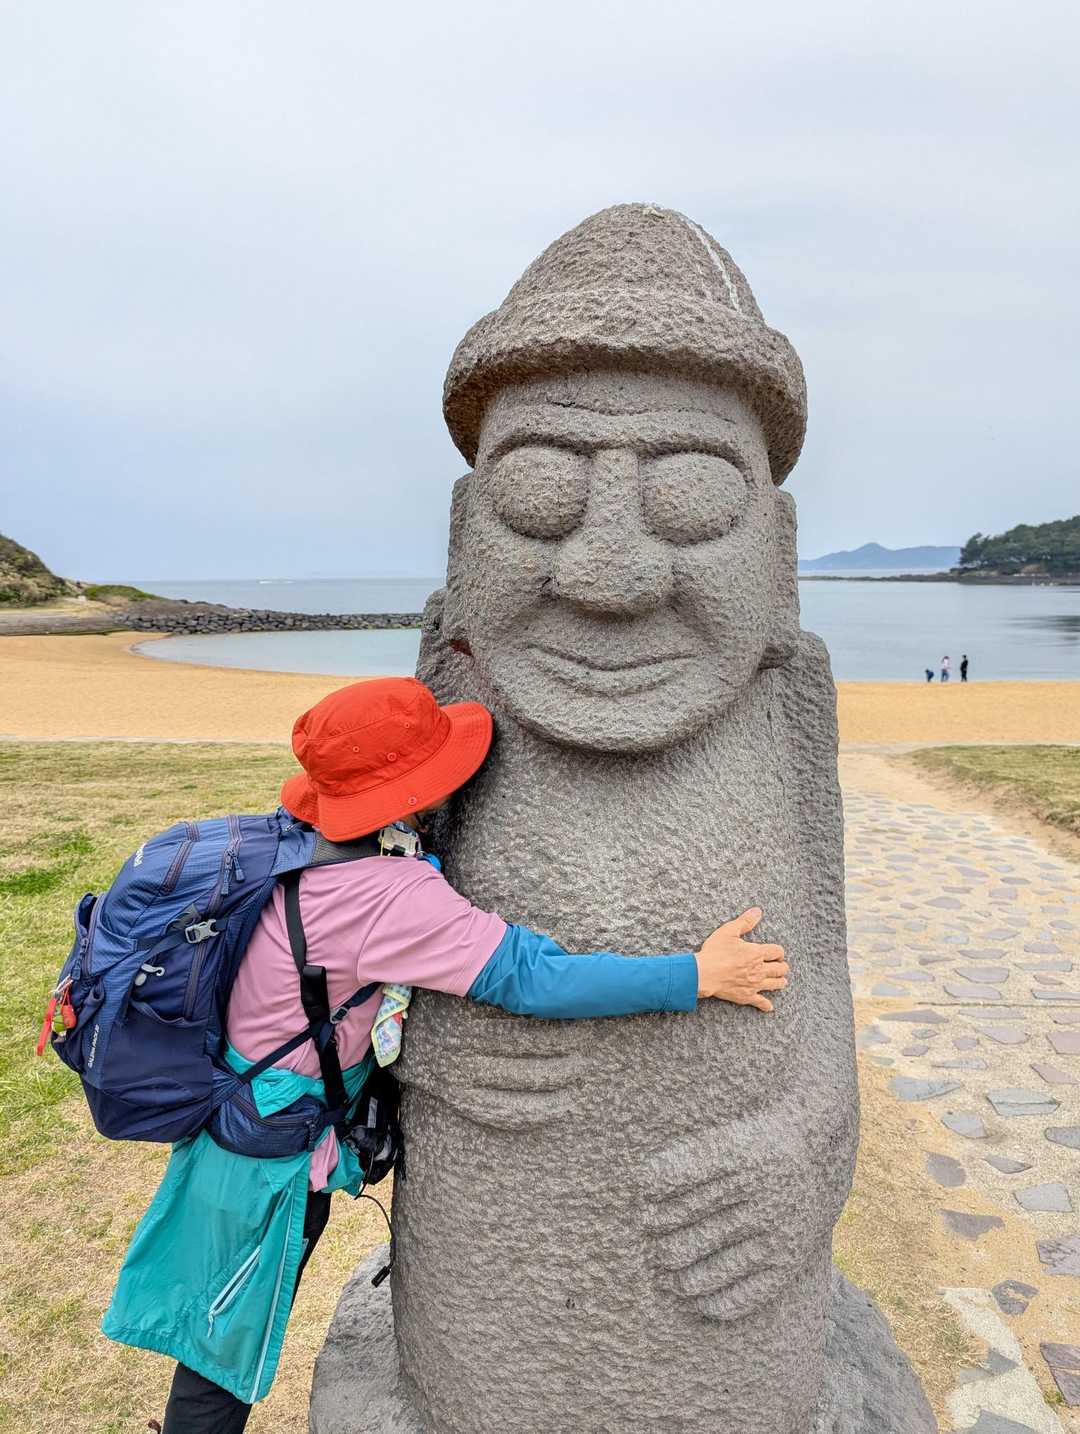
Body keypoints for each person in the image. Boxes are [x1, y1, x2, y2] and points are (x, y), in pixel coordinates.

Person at [102, 677, 790, 1434]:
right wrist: (694, 975)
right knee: (222, 1343)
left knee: (211, 1317)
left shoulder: (296, 841)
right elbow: (532, 977)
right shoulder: (384, 896)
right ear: (405, 790)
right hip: (268, 1157)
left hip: (229, 1117)